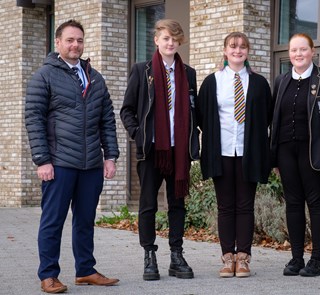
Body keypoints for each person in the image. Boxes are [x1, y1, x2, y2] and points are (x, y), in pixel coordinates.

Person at [25, 19, 120, 293]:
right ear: (58, 43)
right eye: (69, 40)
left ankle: (86, 270)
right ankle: (48, 275)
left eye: (79, 40)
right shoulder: (44, 76)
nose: (75, 44)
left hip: (90, 164)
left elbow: (107, 120)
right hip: (59, 163)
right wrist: (42, 160)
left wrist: (110, 155)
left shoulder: (95, 77)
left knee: (85, 220)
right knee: (53, 220)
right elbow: (34, 119)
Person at [120, 19, 199, 281]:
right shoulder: (141, 70)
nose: (170, 43)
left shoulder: (188, 73)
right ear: (156, 40)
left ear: (180, 43)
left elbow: (192, 112)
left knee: (177, 204)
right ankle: (149, 255)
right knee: (147, 204)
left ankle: (176, 255)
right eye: (166, 38)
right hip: (152, 150)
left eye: (175, 39)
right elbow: (127, 110)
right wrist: (139, 135)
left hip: (179, 151)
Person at [196, 32, 272, 278]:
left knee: (245, 205)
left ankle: (244, 258)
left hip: (249, 152)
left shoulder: (259, 83)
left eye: (242, 47)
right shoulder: (212, 82)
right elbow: (201, 117)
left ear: (248, 51)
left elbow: (267, 117)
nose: (238, 50)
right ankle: (228, 257)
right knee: (225, 206)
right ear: (225, 50)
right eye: (233, 46)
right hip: (222, 151)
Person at [270, 33, 320, 277]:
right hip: (285, 151)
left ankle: (317, 260)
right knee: (293, 204)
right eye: (294, 50)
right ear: (289, 54)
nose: (298, 54)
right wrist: (274, 158)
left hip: (315, 151)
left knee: (315, 203)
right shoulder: (281, 81)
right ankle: (296, 258)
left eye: (303, 49)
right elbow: (274, 121)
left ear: (312, 51)